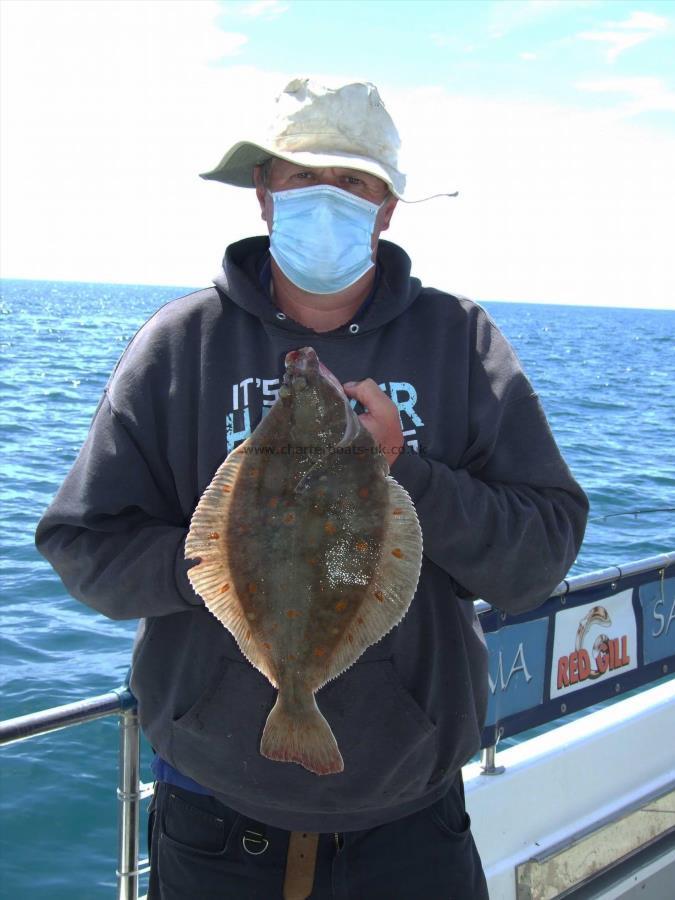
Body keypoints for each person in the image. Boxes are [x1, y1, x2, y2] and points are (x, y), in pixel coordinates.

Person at [35, 77, 588, 899]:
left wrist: (404, 469)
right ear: (263, 195)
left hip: (413, 822)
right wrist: (221, 569)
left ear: (388, 208)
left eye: (355, 182)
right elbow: (83, 546)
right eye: (301, 177)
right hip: (212, 819)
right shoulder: (178, 346)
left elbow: (539, 559)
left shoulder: (460, 343)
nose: (327, 198)